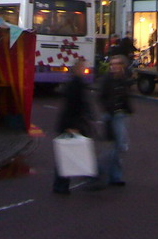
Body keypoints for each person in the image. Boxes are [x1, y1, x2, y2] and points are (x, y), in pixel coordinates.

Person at [53, 58, 94, 195]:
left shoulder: (74, 83)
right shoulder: (76, 84)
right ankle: (63, 184)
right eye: (83, 68)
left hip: (73, 122)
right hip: (72, 123)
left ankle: (63, 184)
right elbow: (73, 105)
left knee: (70, 152)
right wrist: (72, 125)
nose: (84, 70)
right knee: (69, 153)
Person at [98, 55, 132, 186]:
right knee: (117, 146)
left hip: (121, 115)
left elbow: (124, 96)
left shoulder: (123, 79)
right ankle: (101, 170)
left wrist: (128, 109)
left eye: (117, 64)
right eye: (112, 64)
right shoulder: (107, 79)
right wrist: (108, 110)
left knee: (117, 146)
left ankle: (114, 176)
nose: (114, 66)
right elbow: (101, 96)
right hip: (112, 115)